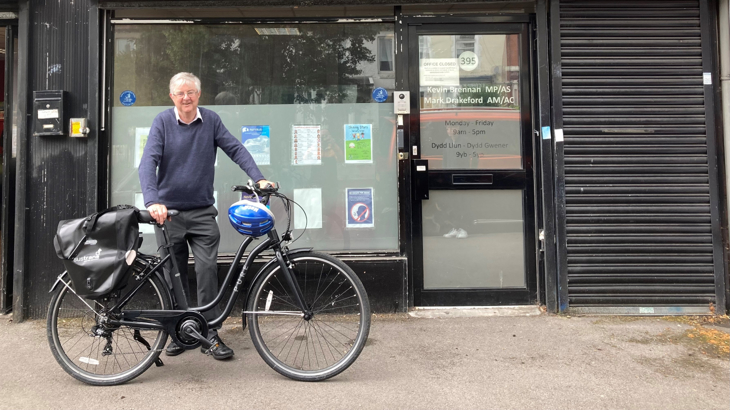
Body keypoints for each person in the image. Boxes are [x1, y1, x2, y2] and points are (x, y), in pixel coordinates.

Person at [139, 72, 273, 360]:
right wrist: (152, 201)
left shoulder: (210, 120)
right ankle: (178, 331)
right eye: (180, 93)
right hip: (168, 215)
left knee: (206, 272)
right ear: (171, 96)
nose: (185, 97)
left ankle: (210, 334)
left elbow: (235, 148)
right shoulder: (162, 122)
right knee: (171, 276)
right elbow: (148, 162)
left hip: (201, 213)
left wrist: (258, 178)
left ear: (199, 95)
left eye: (190, 92)